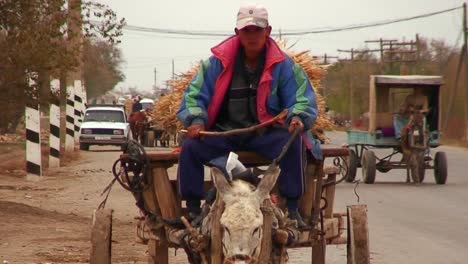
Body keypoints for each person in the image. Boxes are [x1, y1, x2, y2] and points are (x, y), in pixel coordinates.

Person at [176, 3, 319, 228]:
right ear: (237, 33)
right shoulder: (216, 63)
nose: (252, 36)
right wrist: (196, 120)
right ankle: (193, 209)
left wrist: (298, 116)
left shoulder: (284, 65)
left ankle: (292, 209)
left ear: (268, 31)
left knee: (294, 144)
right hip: (224, 133)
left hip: (265, 133)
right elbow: (194, 95)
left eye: (257, 30)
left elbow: (301, 97)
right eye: (246, 31)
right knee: (190, 148)